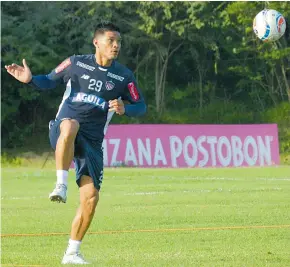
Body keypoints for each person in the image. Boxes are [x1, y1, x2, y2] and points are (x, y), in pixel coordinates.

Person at [5, 22, 146, 265]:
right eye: (111, 41)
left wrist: (126, 108)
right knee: (70, 125)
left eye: (118, 42)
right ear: (96, 42)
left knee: (91, 198)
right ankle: (60, 184)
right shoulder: (75, 63)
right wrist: (30, 80)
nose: (116, 46)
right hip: (62, 131)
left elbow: (141, 106)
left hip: (92, 142)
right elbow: (48, 80)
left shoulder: (124, 76)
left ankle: (72, 252)